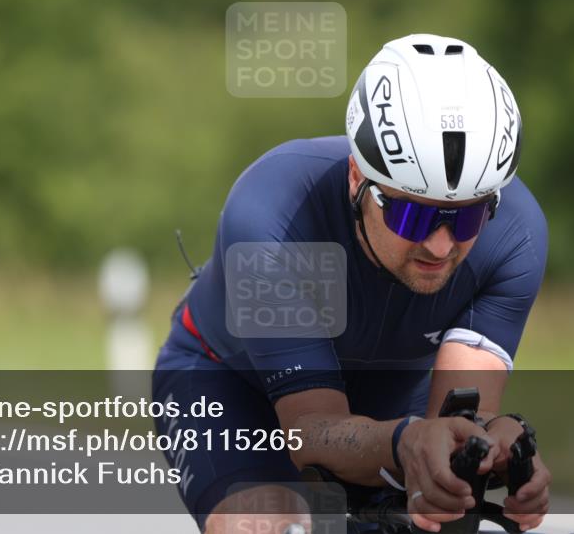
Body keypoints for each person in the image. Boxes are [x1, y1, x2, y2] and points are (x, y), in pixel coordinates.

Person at [152, 33, 551, 533]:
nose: (441, 246)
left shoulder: (515, 234)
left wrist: (494, 444)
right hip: (235, 388)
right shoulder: (274, 215)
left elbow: (459, 422)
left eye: (467, 219)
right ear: (357, 179)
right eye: (412, 215)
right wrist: (407, 444)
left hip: (393, 400)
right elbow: (311, 434)